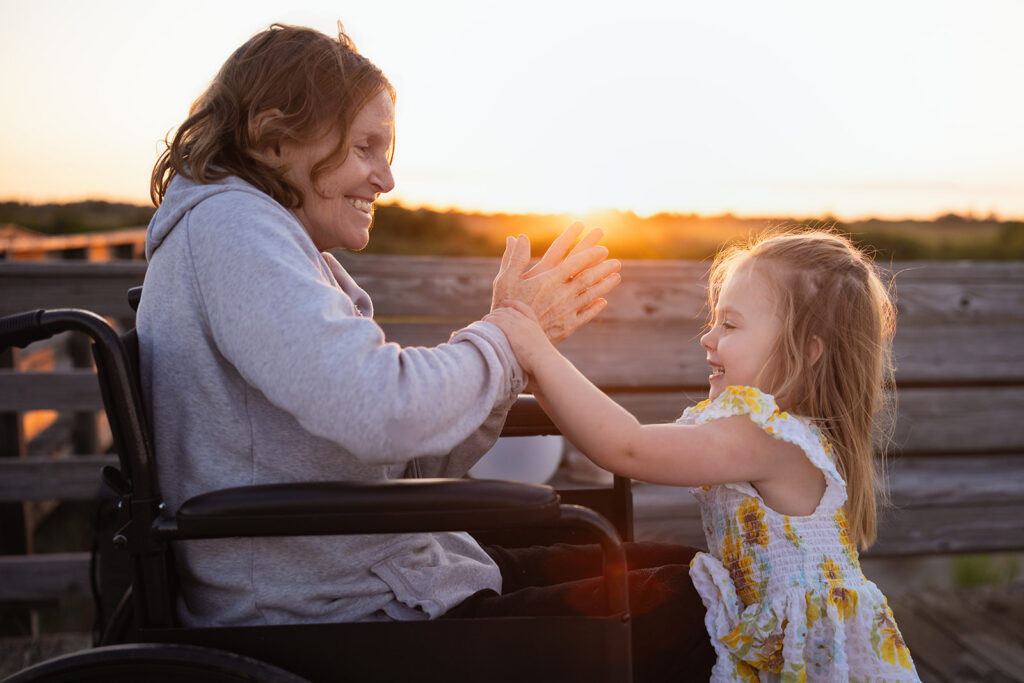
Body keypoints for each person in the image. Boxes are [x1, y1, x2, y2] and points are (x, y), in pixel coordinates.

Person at [138, 22, 713, 680]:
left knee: (692, 570)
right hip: (333, 613)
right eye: (365, 148)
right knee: (702, 605)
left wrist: (514, 348)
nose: (385, 177)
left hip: (390, 570)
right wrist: (506, 333)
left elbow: (413, 460)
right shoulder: (233, 230)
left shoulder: (268, 240)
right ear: (273, 137)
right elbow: (377, 408)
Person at [485, 229, 921, 680]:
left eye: (730, 325)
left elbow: (626, 446)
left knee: (667, 585)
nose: (707, 338)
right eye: (715, 320)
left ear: (807, 351)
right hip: (764, 626)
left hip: (799, 660)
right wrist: (534, 368)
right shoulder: (777, 431)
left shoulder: (768, 438)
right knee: (658, 560)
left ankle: (484, 609)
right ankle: (495, 573)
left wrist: (536, 351)